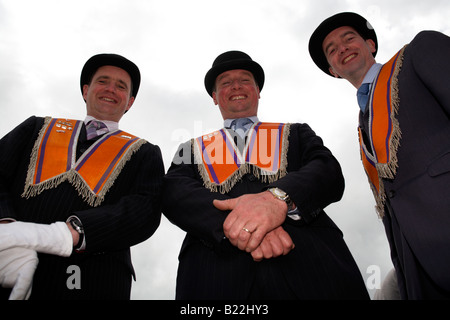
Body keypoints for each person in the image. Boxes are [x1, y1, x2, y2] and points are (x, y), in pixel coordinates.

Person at [162, 50, 369, 300]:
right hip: (216, 272)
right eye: (226, 82)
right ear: (215, 97)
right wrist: (243, 227)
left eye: (245, 80)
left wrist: (277, 200)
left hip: (310, 263)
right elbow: (174, 193)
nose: (236, 86)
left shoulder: (296, 133)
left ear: (258, 90)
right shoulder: (191, 148)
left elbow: (327, 171)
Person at [309, 12, 450, 299]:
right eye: (332, 50)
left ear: (370, 44)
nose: (342, 48)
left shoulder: (417, 53)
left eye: (349, 39)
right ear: (334, 71)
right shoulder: (363, 125)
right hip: (416, 261)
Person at [0, 53, 164, 300]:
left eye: (121, 86)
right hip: (12, 264)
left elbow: (145, 209)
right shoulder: (36, 128)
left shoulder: (144, 152)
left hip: (96, 278)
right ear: (86, 90)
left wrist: (75, 231)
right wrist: (6, 230)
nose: (111, 89)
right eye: (103, 81)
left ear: (129, 102)